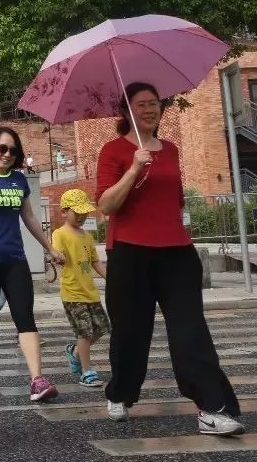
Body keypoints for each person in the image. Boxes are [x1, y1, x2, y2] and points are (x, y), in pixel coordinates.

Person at [97, 82, 241, 435]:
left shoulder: (171, 149)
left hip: (176, 252)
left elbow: (175, 201)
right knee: (130, 333)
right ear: (126, 111)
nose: (150, 109)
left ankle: (212, 407)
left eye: (155, 103)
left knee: (191, 331)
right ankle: (121, 392)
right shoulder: (113, 151)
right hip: (129, 252)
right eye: (141, 104)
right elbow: (106, 205)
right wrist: (133, 169)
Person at [0, 127, 64, 402]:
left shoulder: (19, 180)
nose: (7, 154)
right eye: (2, 148)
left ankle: (37, 380)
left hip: (16, 259)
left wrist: (50, 247)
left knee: (25, 316)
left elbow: (29, 217)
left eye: (13, 150)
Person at [53, 189, 109, 387]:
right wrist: (57, 257)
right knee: (85, 333)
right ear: (64, 212)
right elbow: (57, 253)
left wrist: (110, 278)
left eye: (84, 213)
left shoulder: (87, 236)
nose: (82, 216)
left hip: (90, 291)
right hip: (73, 292)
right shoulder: (59, 234)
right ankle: (87, 372)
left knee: (102, 328)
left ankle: (75, 352)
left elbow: (95, 262)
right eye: (77, 213)